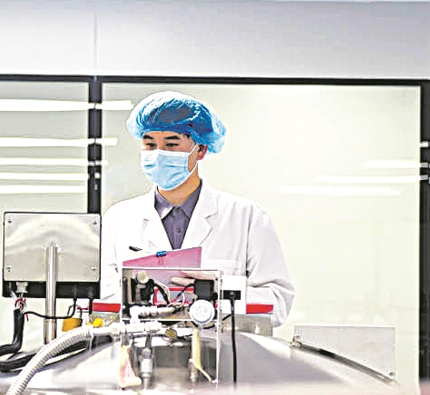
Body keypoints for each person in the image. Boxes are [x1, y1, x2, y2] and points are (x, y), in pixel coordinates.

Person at [100, 91, 295, 327]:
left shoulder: (246, 217)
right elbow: (104, 301)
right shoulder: (119, 219)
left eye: (171, 144)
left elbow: (278, 302)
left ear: (200, 150)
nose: (158, 154)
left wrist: (218, 291)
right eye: (150, 144)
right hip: (141, 346)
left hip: (221, 347)